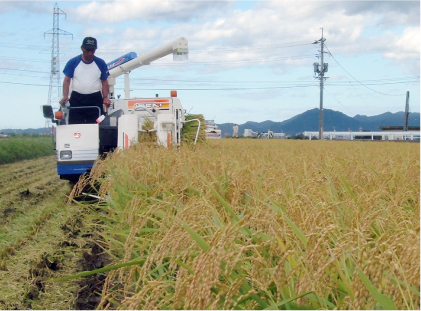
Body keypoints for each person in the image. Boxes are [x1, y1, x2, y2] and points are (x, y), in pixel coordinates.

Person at [60, 37, 111, 124]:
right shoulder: (73, 62)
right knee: (75, 126)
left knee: (97, 126)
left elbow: (105, 82)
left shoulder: (100, 63)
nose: (90, 52)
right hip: (77, 99)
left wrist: (105, 97)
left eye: (93, 50)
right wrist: (65, 96)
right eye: (88, 50)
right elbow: (67, 80)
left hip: (95, 99)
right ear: (82, 48)